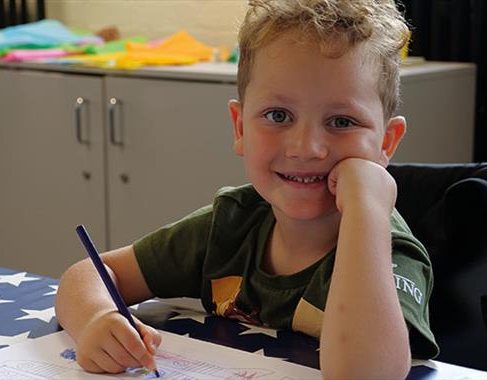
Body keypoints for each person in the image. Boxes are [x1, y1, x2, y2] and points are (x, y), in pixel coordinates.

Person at [55, 0, 439, 378]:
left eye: (341, 121)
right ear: (240, 128)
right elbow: (91, 273)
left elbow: (366, 374)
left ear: (386, 143)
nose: (306, 148)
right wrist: (97, 321)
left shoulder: (389, 249)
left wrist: (368, 210)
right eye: (278, 116)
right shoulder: (233, 224)